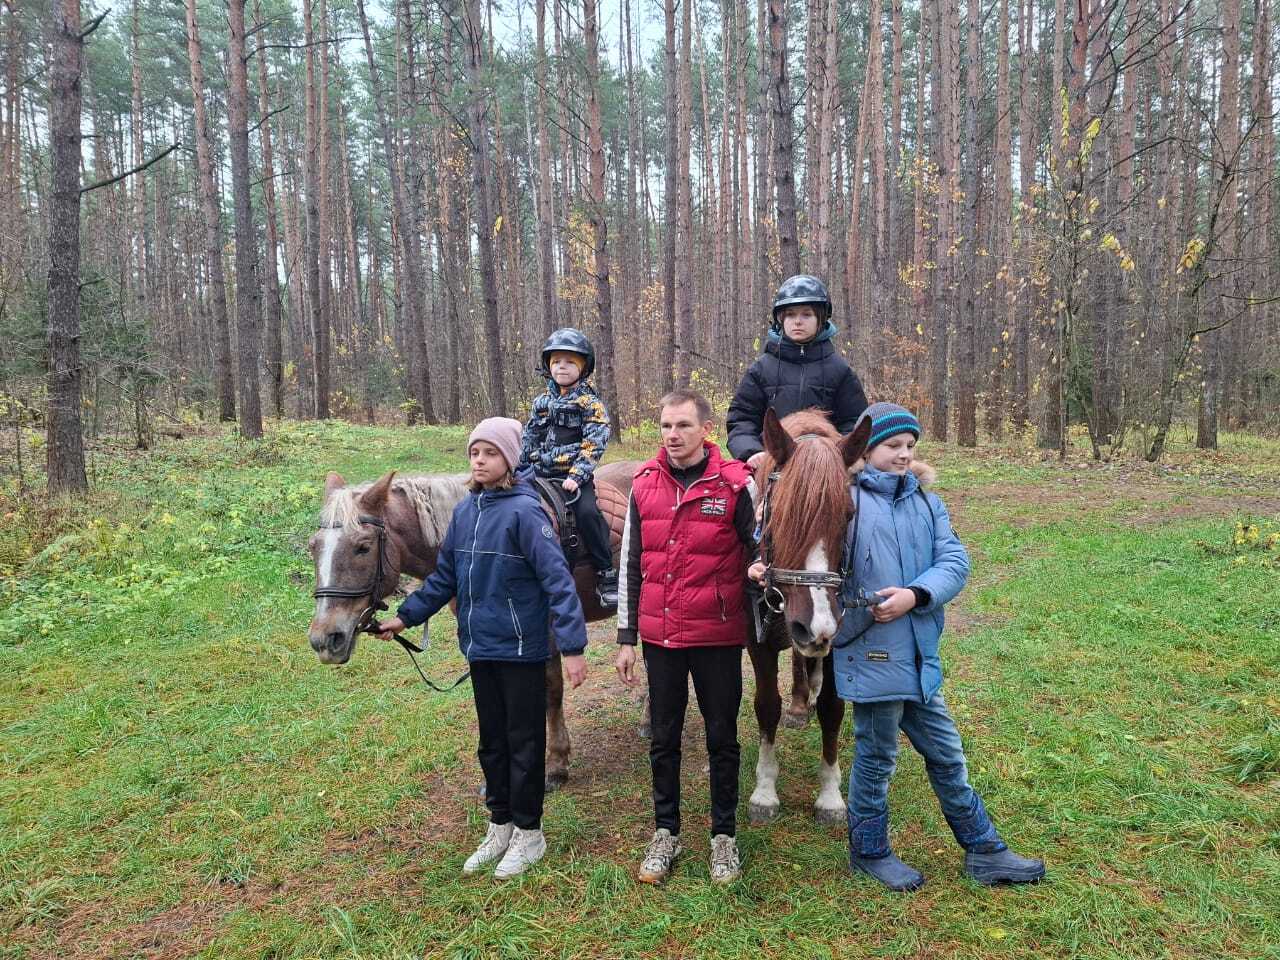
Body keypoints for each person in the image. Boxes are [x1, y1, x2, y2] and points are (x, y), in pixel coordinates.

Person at [813, 401, 1043, 891]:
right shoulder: (844, 503)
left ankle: (984, 849)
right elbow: (811, 555)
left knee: (946, 752)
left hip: (919, 655)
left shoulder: (926, 503)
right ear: (866, 450)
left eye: (910, 446)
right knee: (877, 756)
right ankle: (869, 852)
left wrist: (916, 595)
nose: (903, 455)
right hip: (872, 652)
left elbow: (954, 560)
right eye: (892, 445)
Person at [376, 417, 589, 880]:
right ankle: (500, 824)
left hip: (522, 650)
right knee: (492, 743)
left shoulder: (526, 513)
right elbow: (444, 578)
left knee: (524, 742)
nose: (479, 460)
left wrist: (572, 648)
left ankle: (530, 833)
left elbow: (558, 582)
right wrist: (406, 616)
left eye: (490, 453)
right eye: (474, 452)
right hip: (481, 648)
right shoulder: (466, 513)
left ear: (509, 459)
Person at [614, 389, 757, 885]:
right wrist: (626, 637)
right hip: (661, 637)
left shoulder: (735, 485)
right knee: (664, 737)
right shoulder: (644, 484)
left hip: (717, 635)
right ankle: (666, 832)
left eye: (683, 426)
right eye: (666, 426)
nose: (672, 435)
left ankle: (724, 837)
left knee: (722, 737)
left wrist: (760, 568)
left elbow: (760, 545)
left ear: (705, 430)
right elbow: (631, 565)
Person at [726, 274, 869, 476]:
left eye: (806, 315)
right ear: (781, 319)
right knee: (739, 492)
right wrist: (751, 451)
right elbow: (742, 419)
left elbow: (854, 422)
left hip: (824, 467)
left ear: (821, 318)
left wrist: (841, 454)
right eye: (791, 315)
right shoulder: (761, 369)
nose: (798, 322)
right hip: (771, 464)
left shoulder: (840, 370)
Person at [520, 328, 618, 608]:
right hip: (539, 471)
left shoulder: (590, 403)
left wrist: (578, 474)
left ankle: (606, 573)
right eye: (556, 361)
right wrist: (520, 465)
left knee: (587, 513)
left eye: (570, 362)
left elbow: (595, 442)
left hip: (572, 475)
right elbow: (530, 436)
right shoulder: (541, 402)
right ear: (548, 366)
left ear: (583, 368)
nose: (562, 367)